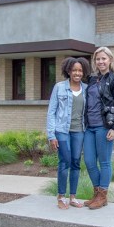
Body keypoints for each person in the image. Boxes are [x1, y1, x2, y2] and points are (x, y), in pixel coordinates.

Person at [83, 46, 114, 210]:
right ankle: (97, 193)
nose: (100, 61)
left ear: (110, 60)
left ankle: (102, 196)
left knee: (104, 162)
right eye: (98, 59)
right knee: (89, 161)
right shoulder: (92, 80)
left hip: (104, 126)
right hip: (89, 127)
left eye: (103, 58)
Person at [47, 57, 90, 209]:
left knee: (76, 163)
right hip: (62, 131)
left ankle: (73, 196)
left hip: (79, 131)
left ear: (83, 72)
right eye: (74, 70)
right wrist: (51, 135)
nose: (77, 73)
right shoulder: (59, 87)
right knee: (64, 162)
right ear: (69, 71)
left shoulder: (86, 88)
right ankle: (61, 197)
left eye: (80, 70)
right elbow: (51, 112)